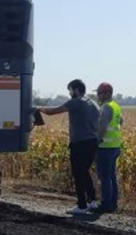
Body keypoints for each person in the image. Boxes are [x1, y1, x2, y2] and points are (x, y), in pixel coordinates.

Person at [39, 79, 101, 215]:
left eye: (70, 90)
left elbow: (53, 111)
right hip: (92, 142)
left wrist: (38, 109)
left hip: (79, 143)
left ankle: (81, 205)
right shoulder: (93, 103)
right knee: (85, 171)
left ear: (76, 90)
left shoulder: (75, 102)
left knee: (78, 173)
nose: (69, 93)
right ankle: (92, 201)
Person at [95, 83, 123, 213]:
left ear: (107, 93)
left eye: (99, 93)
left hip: (105, 147)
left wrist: (97, 140)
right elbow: (121, 122)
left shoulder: (106, 107)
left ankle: (106, 204)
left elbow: (102, 126)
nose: (98, 95)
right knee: (111, 175)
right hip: (115, 146)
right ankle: (113, 203)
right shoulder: (116, 106)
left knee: (105, 177)